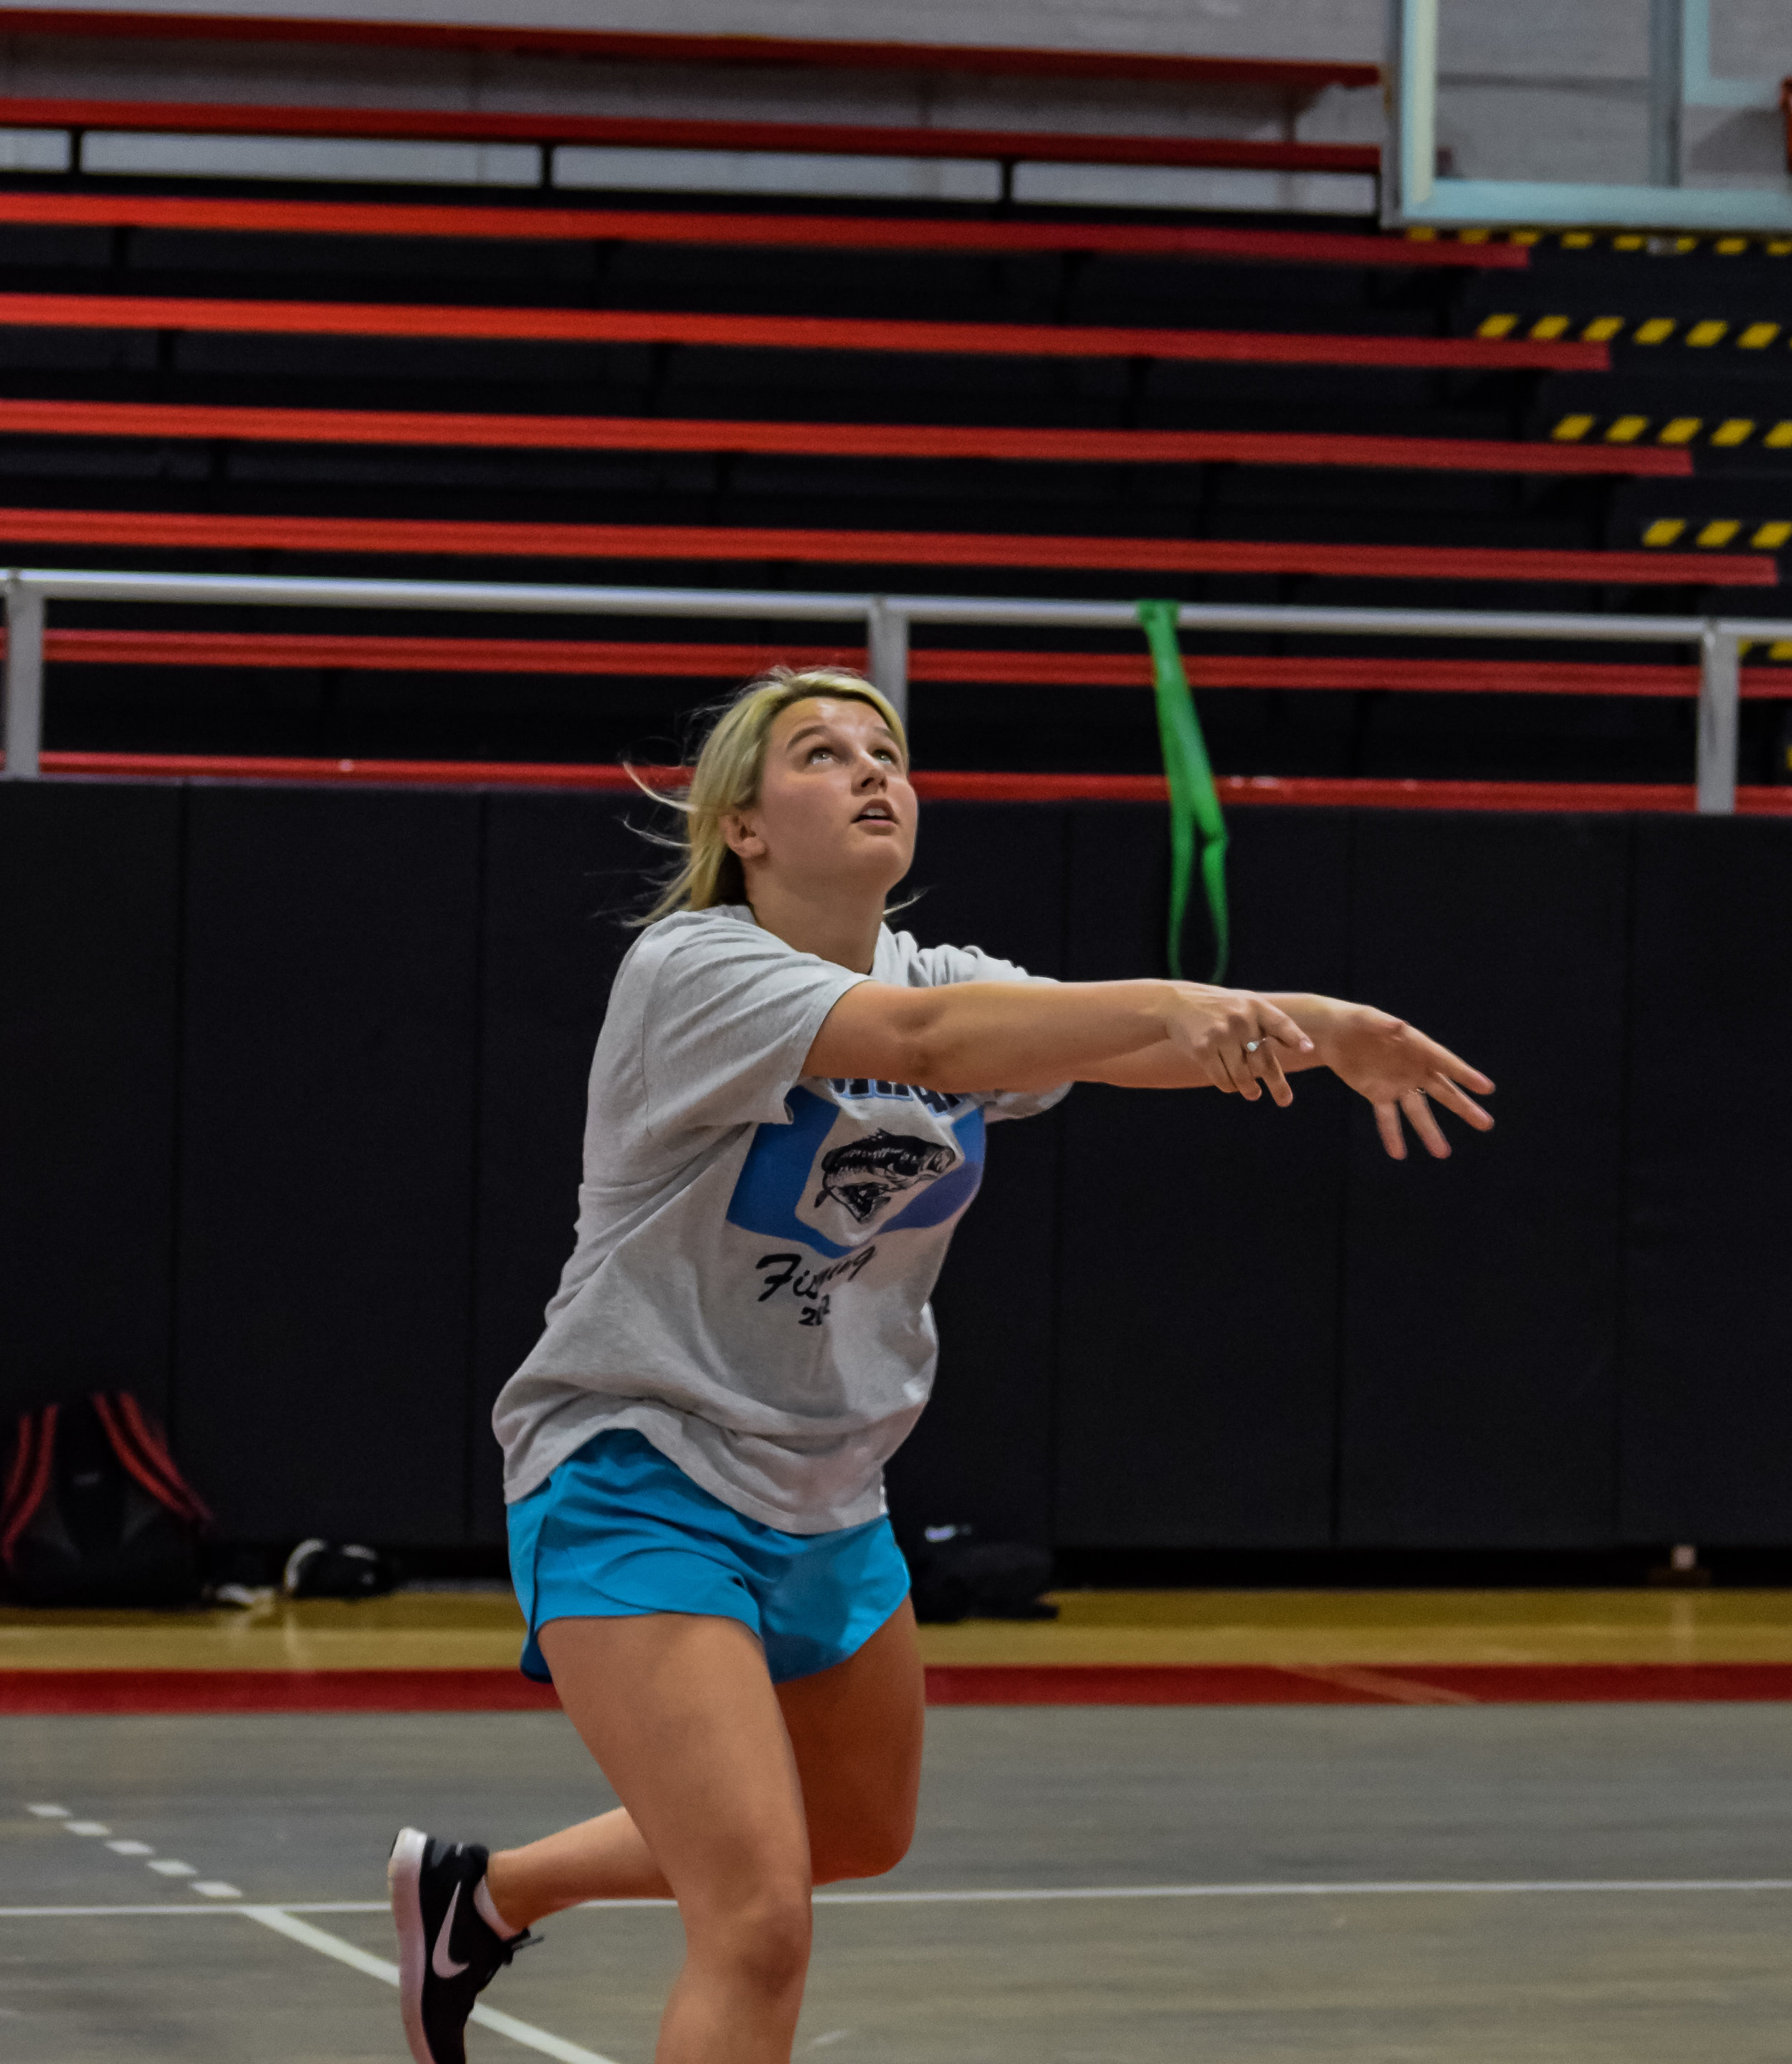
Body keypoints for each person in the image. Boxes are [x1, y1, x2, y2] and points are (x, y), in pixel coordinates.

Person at [388, 667, 1493, 2064]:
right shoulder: (693, 969)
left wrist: (1319, 1029)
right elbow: (927, 1048)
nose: (869, 773)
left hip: (827, 1489)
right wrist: (1180, 999)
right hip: (635, 1467)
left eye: (886, 753)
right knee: (757, 1916)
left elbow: (1107, 1044)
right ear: (742, 824)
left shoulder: (944, 973)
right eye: (821, 753)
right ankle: (490, 1903)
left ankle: (483, 1895)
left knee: (853, 1831)